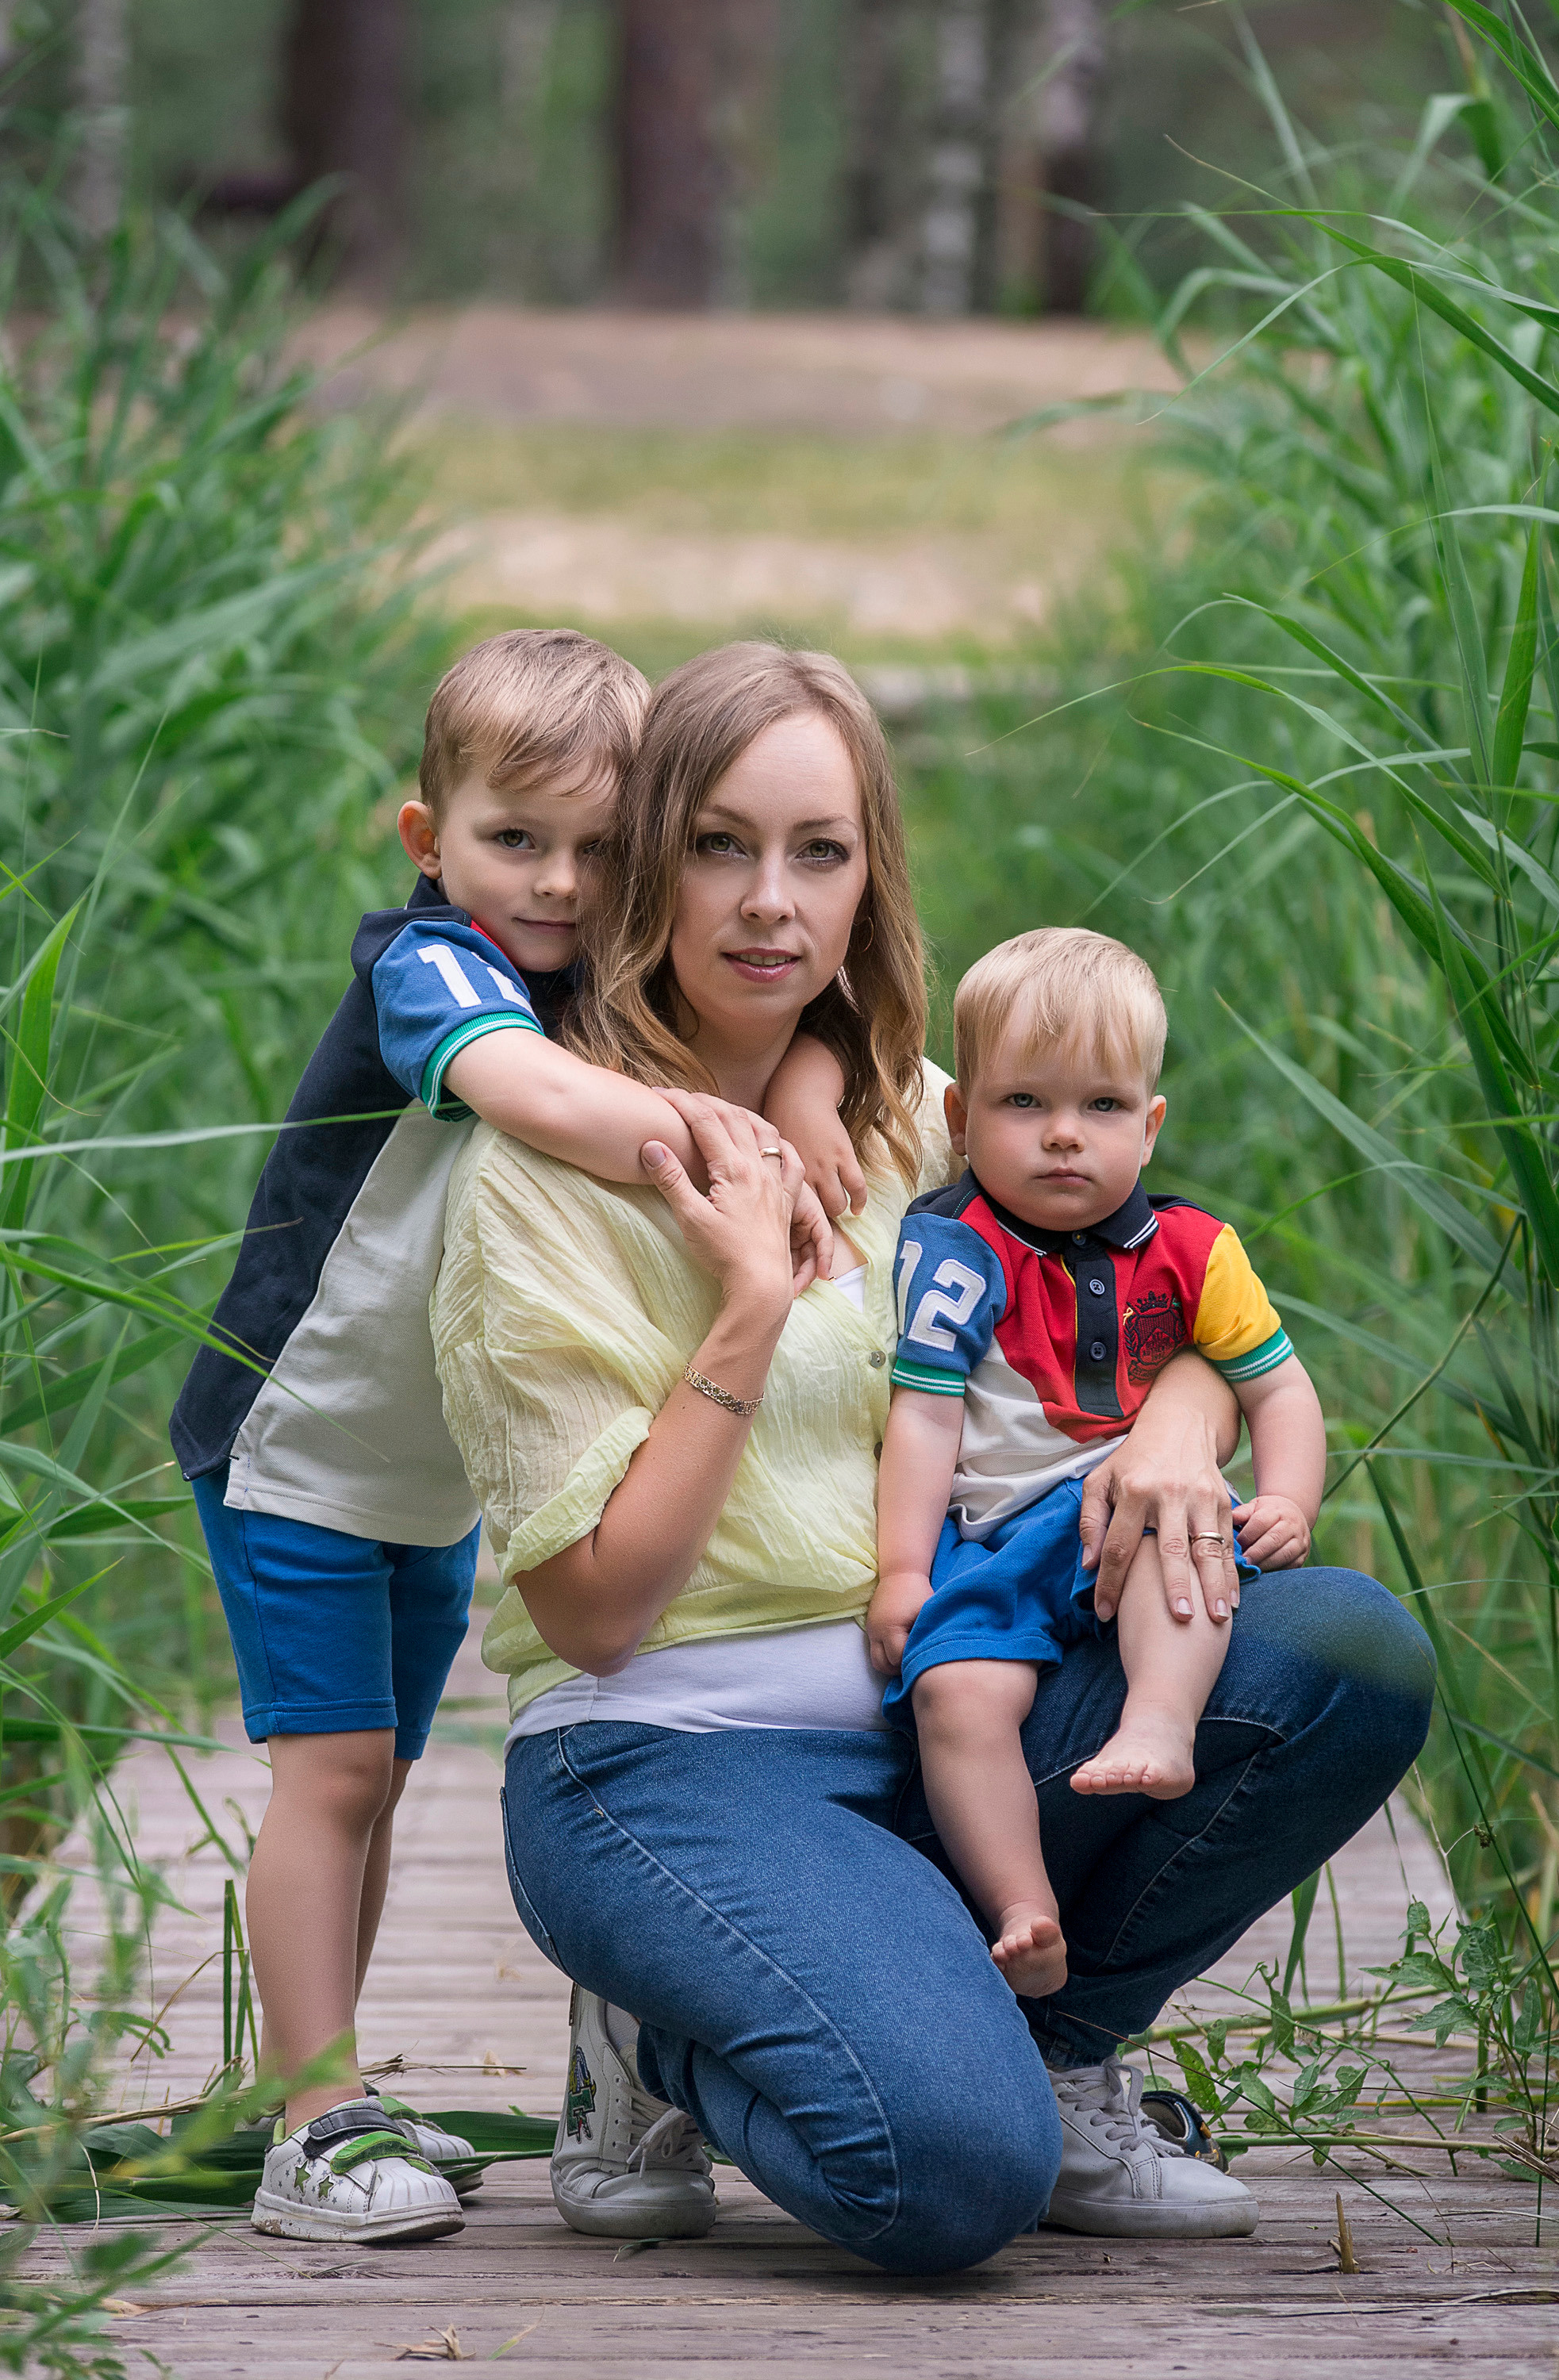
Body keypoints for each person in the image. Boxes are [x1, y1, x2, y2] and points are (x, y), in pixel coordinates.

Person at [434, 641, 1436, 2274]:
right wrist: (749, 1304)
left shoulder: (926, 1117)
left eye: (819, 851)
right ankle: (663, 2035)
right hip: (669, 1758)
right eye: (720, 844)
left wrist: (1178, 1429)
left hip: (953, 1713)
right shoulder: (535, 1182)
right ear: (648, 860)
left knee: (1343, 1652)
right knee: (951, 2179)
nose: (771, 902)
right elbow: (597, 1614)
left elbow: (1170, 1292)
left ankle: (1059, 2045)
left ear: (868, 880)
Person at [168, 630, 832, 2244]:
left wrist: (803, 1090)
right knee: (331, 1775)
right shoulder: (434, 969)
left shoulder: (587, 983)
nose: (555, 883)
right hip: (299, 1446)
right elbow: (534, 1096)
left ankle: (320, 2087)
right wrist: (729, 1138)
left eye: (600, 850)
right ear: (428, 837)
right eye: (514, 839)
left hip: (422, 1478)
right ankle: (310, 2127)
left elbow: (777, 1035)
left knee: (379, 1779)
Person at [867, 927, 1327, 2001]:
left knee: (1183, 1558)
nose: (1064, 1135)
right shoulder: (954, 1251)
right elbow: (923, 1419)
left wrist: (1292, 1497)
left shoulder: (1197, 1250)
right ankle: (1022, 1909)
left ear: (1151, 1125)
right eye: (1024, 1103)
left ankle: (1159, 1724)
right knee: (956, 1694)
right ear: (960, 1118)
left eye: (1103, 1106)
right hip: (990, 1535)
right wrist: (902, 1572)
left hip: (1129, 1500)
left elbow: (1279, 1389)